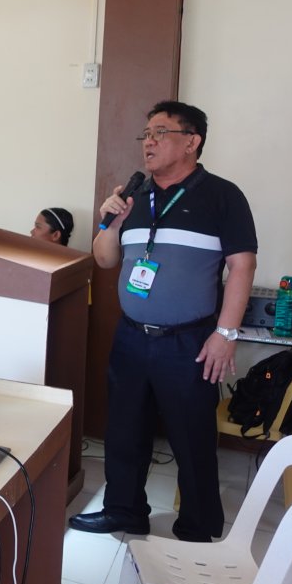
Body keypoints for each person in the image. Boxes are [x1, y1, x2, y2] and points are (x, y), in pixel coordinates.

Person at [68, 100, 256, 544]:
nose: (148, 142)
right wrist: (111, 223)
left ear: (192, 142)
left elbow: (242, 266)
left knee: (192, 438)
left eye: (160, 132)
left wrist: (225, 334)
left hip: (188, 342)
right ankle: (124, 511)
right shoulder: (135, 197)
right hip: (132, 337)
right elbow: (105, 259)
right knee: (124, 431)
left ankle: (198, 526)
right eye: (146, 134)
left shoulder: (222, 196)